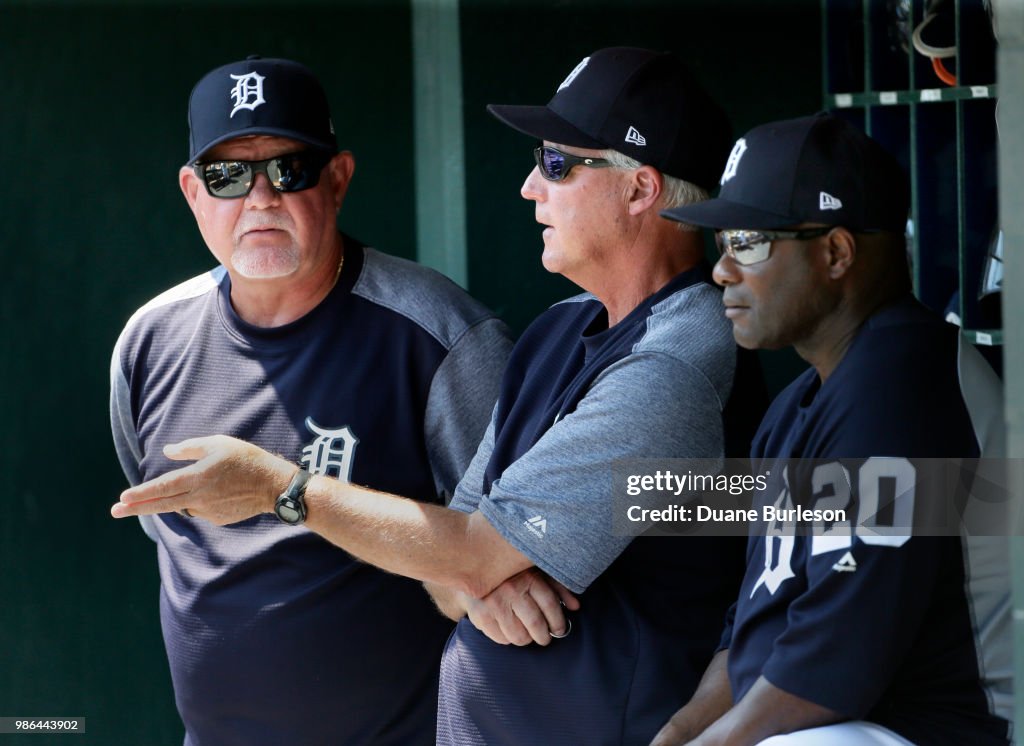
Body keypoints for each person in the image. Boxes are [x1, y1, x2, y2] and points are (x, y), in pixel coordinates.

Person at [113, 47, 757, 744]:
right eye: (229, 175)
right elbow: (458, 565)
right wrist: (471, 565)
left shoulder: (677, 360)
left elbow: (471, 551)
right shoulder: (561, 329)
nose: (529, 188)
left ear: (640, 191)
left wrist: (282, 489)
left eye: (558, 164)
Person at [109, 56, 512, 746]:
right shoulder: (149, 339)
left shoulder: (439, 335)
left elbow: (508, 558)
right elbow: (168, 530)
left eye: (288, 169)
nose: (259, 198)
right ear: (191, 191)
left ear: (338, 179)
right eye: (227, 175)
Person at [652, 112, 1012, 746]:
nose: (723, 271)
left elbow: (831, 670)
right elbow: (753, 632)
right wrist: (680, 732)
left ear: (836, 252)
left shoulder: (903, 391)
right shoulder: (800, 403)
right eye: (724, 243)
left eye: (750, 243)